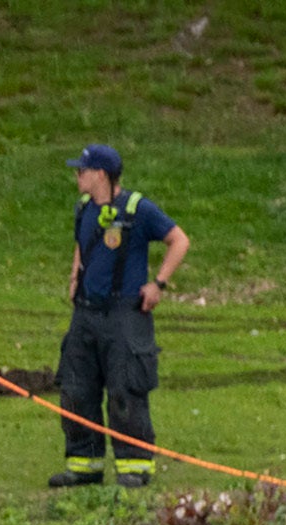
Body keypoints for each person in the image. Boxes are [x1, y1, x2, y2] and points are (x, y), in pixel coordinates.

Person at [51, 143, 191, 489]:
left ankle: (135, 466)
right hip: (86, 312)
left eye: (82, 170)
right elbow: (82, 244)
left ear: (101, 174)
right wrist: (74, 278)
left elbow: (179, 240)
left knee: (126, 389)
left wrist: (158, 284)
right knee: (75, 388)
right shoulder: (83, 207)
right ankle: (83, 463)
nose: (77, 176)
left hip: (124, 314)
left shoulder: (137, 209)